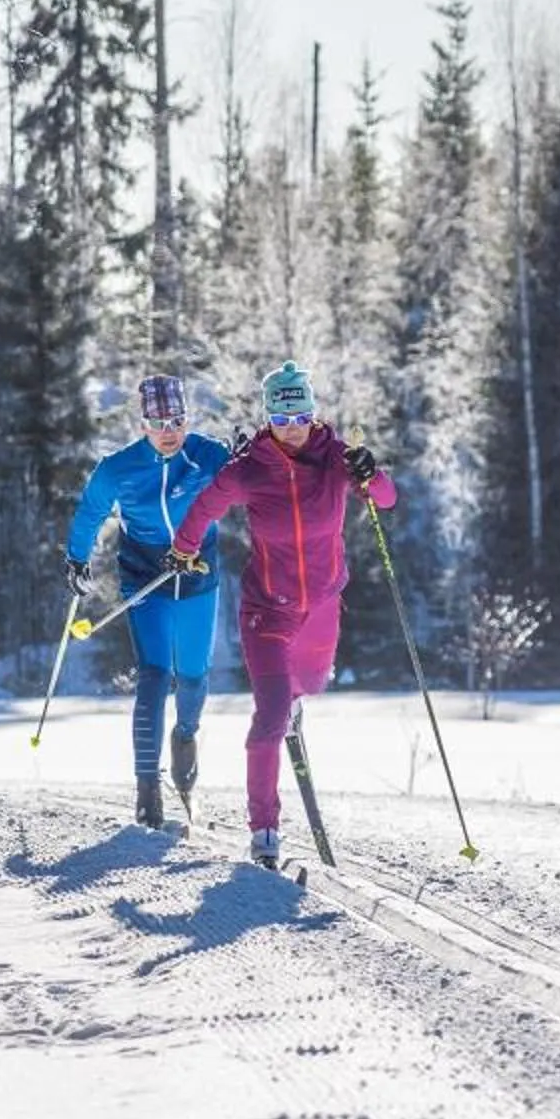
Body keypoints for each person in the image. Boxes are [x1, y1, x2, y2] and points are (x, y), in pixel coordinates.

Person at [168, 359, 393, 870]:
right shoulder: (250, 469)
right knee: (268, 718)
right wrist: (183, 550)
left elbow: (386, 498)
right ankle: (264, 829)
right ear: (268, 418)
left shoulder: (337, 458)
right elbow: (205, 507)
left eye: (300, 417)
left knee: (308, 684)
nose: (291, 429)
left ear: (312, 415)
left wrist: (370, 473)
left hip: (322, 606)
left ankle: (293, 702)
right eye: (281, 419)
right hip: (267, 610)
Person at [65, 374, 230, 828]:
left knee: (193, 678)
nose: (169, 430)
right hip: (146, 576)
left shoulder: (206, 454)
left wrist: (250, 449)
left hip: (198, 575)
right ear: (143, 425)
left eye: (177, 420)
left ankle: (186, 737)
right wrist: (77, 560)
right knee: (155, 676)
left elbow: (251, 474)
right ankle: (147, 791)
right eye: (159, 423)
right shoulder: (118, 468)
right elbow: (90, 512)